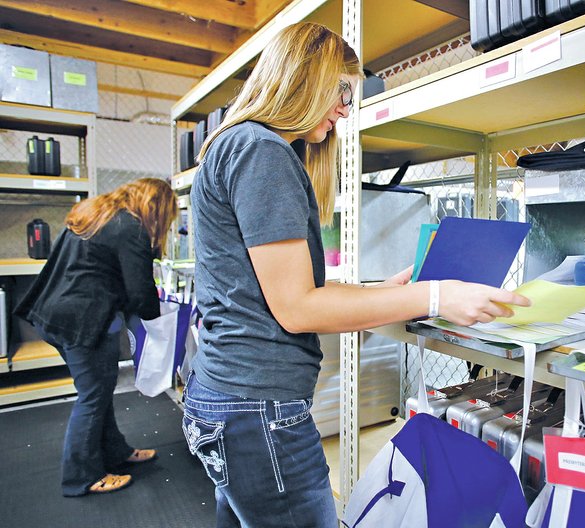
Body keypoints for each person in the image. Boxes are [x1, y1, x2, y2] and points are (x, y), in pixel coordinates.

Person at [184, 21, 530, 528]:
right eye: (342, 90)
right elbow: (298, 308)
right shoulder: (263, 151)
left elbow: (292, 290)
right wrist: (434, 297)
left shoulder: (237, 145)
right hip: (258, 409)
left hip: (232, 399)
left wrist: (381, 293)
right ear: (304, 78)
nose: (346, 108)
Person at [15, 178, 179, 496]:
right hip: (83, 321)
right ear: (155, 206)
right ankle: (82, 476)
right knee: (92, 396)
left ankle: (116, 452)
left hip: (54, 315)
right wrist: (158, 327)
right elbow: (139, 289)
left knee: (99, 389)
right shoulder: (130, 226)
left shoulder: (94, 213)